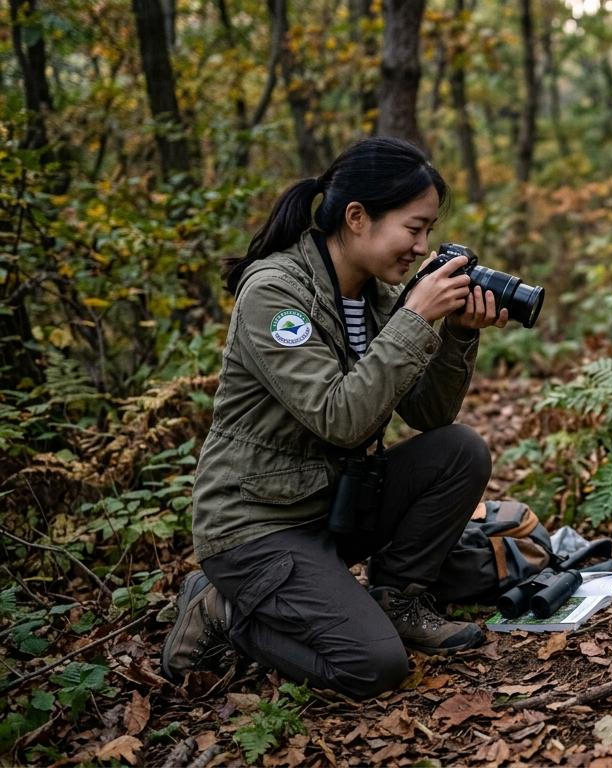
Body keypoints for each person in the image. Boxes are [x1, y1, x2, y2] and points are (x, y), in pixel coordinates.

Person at [160, 137, 507, 699]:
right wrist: (416, 317)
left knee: (459, 449)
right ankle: (223, 610)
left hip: (329, 509)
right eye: (413, 228)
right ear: (356, 217)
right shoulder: (275, 295)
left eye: (427, 231)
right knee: (373, 667)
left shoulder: (371, 295)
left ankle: (397, 600)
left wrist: (458, 334)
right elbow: (339, 417)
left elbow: (429, 414)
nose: (422, 247)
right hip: (255, 525)